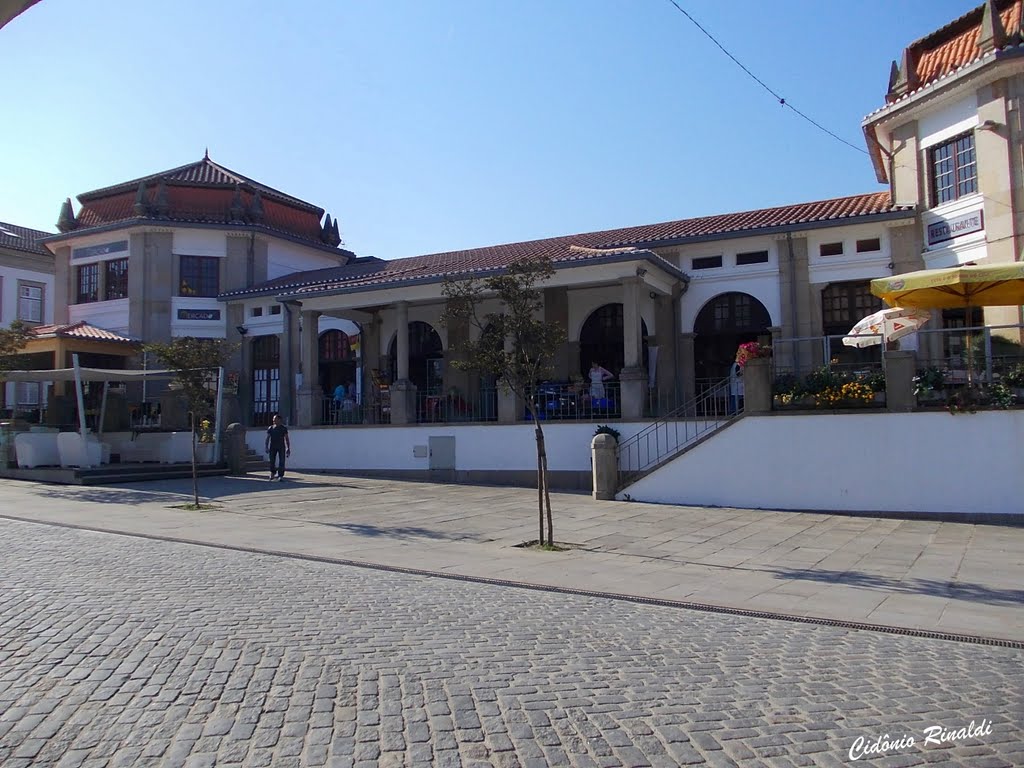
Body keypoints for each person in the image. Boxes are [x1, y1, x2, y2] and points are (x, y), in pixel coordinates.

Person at [264, 413, 291, 481]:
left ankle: (280, 475)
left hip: (281, 446)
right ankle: (272, 473)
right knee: (271, 461)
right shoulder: (271, 428)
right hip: (273, 446)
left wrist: (288, 448)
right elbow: (268, 438)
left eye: (275, 419)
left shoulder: (283, 428)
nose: (273, 420)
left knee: (282, 461)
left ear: (279, 420)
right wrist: (266, 447)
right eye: (273, 419)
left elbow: (286, 438)